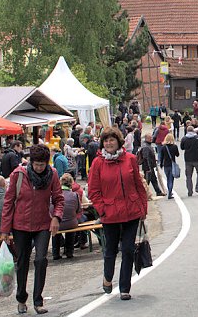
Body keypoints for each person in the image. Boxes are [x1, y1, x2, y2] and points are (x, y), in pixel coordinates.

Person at [1, 143, 63, 315]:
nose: (38, 168)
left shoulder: (53, 175)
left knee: (41, 260)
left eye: (42, 165)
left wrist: (56, 217)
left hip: (43, 223)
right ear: (30, 162)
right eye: (35, 164)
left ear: (47, 163)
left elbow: (58, 199)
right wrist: (5, 229)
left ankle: (38, 300)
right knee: (22, 262)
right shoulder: (18, 175)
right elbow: (8, 202)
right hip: (20, 225)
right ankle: (21, 297)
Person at [87, 127, 147, 300]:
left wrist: (143, 208)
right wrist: (102, 209)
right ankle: (107, 277)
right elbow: (93, 191)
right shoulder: (98, 163)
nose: (109, 143)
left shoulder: (130, 159)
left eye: (112, 140)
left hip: (131, 211)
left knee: (128, 249)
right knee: (110, 250)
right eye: (106, 141)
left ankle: (124, 287)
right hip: (110, 213)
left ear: (118, 141)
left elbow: (138, 185)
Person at [52, 174, 80, 261]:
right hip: (71, 223)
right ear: (71, 183)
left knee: (55, 230)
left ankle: (55, 253)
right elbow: (78, 209)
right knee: (71, 228)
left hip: (57, 223)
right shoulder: (75, 195)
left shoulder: (54, 195)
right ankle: (69, 251)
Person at [180, 127, 198, 196]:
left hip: (188, 159)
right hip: (197, 158)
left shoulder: (184, 138)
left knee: (188, 175)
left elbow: (182, 147)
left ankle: (189, 190)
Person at [159, 134, 180, 199]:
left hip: (166, 165)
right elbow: (177, 155)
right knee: (171, 179)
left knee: (168, 178)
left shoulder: (163, 147)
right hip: (172, 164)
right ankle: (170, 191)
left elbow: (161, 157)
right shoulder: (174, 146)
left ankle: (169, 191)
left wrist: (161, 164)